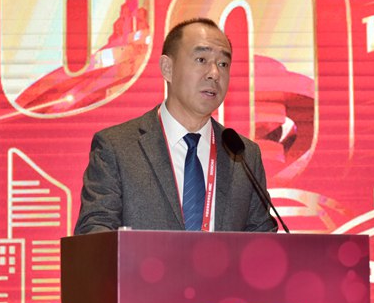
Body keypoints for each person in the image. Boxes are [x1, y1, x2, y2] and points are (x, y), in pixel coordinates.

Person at [74, 18, 277, 234]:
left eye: (223, 64)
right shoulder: (117, 148)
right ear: (167, 68)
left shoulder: (244, 155)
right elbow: (94, 232)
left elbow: (262, 240)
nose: (214, 73)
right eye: (201, 59)